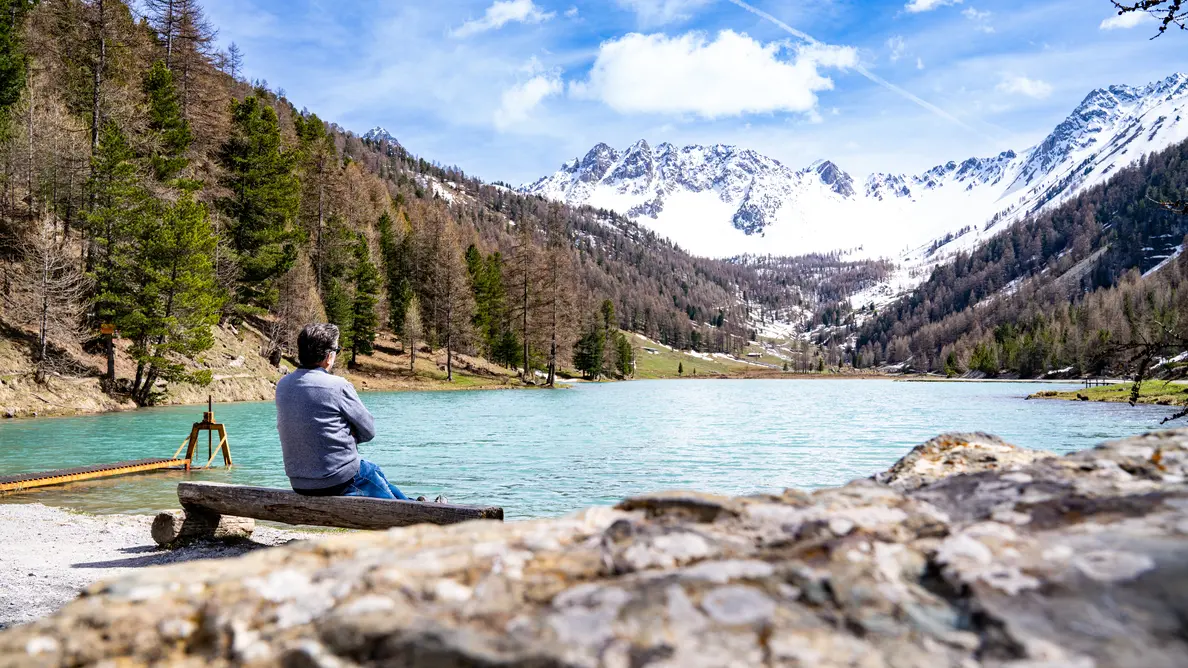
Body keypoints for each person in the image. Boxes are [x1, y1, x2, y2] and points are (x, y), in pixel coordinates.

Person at [276, 323, 440, 501]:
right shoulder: (337, 386)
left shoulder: (283, 385)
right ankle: (419, 511)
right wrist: (350, 435)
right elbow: (369, 431)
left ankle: (415, 504)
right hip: (336, 480)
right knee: (369, 473)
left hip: (300, 483)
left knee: (371, 471)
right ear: (329, 356)